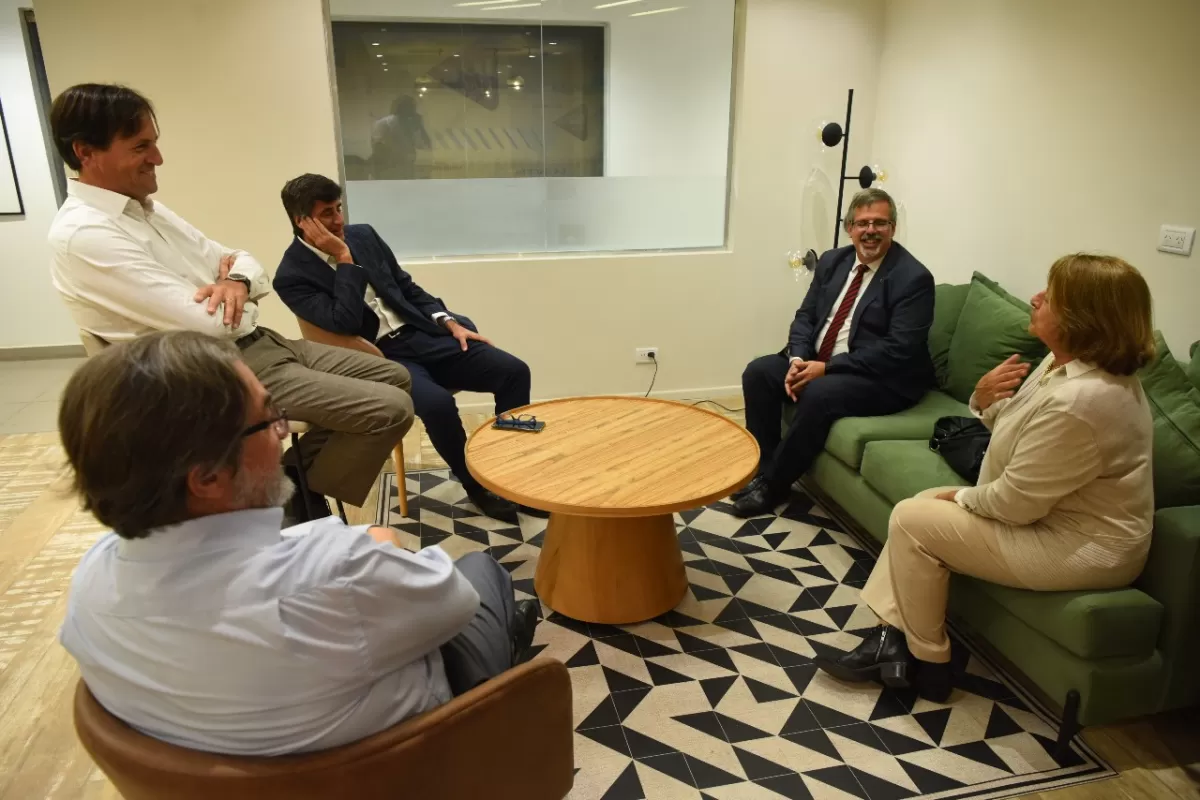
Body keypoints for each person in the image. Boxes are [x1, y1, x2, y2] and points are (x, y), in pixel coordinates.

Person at [58, 330, 540, 756]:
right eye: (270, 421)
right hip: (405, 764)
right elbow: (453, 603)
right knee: (480, 572)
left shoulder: (90, 585)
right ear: (206, 477)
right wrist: (382, 543)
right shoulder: (341, 571)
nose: (284, 435)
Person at [46, 83, 413, 521]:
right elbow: (210, 325)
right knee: (391, 409)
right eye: (142, 146)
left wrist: (235, 279)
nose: (158, 159)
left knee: (396, 377)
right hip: (209, 373)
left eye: (155, 144)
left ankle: (292, 482)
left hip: (257, 342)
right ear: (86, 151)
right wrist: (236, 287)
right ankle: (290, 503)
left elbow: (242, 259)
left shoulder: (148, 210)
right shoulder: (85, 235)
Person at [816, 254, 1156, 702]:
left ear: (1082, 318)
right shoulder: (1061, 366)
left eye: (1050, 298)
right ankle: (892, 641)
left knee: (913, 519)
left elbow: (1015, 504)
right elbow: (1016, 432)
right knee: (921, 504)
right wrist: (980, 398)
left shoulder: (1085, 400)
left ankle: (930, 664)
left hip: (1079, 546)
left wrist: (959, 498)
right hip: (1046, 517)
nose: (1035, 300)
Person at [273, 174, 532, 521]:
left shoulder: (363, 234)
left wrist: (448, 321)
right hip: (379, 358)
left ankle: (511, 474)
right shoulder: (291, 276)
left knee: (514, 371)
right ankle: (476, 487)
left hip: (424, 335)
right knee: (438, 405)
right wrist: (344, 260)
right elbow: (346, 322)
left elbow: (406, 288)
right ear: (300, 220)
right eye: (326, 214)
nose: (339, 221)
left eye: (339, 209)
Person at [734, 188, 935, 517]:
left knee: (820, 393)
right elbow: (806, 316)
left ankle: (774, 485)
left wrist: (825, 369)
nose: (871, 231)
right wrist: (798, 360)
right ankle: (762, 469)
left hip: (883, 378)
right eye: (863, 223)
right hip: (818, 361)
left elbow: (899, 350)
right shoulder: (833, 261)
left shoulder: (913, 279)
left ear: (893, 229)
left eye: (880, 223)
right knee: (759, 372)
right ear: (849, 228)